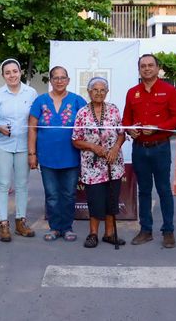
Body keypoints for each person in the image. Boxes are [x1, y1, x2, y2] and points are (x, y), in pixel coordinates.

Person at [122, 54, 176, 248]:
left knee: (164, 190)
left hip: (160, 148)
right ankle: (145, 230)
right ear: (139, 69)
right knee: (144, 191)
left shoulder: (169, 91)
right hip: (139, 149)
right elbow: (125, 120)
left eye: (150, 65)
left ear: (158, 69)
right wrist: (129, 129)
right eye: (143, 66)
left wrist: (159, 128)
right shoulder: (132, 92)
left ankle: (168, 231)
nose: (147, 69)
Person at [28, 66, 86, 242]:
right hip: (47, 157)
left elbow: (87, 126)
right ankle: (54, 228)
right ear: (50, 81)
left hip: (71, 157)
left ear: (68, 80)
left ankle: (67, 228)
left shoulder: (77, 101)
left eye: (63, 78)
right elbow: (32, 129)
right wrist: (32, 154)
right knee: (52, 195)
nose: (59, 81)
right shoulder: (40, 101)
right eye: (55, 78)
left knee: (69, 194)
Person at [71, 77, 126, 249]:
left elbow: (121, 133)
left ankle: (109, 234)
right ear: (88, 92)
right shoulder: (82, 113)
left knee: (112, 199)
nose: (99, 93)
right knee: (95, 200)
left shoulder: (114, 110)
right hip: (92, 166)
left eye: (102, 90)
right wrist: (93, 147)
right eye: (95, 89)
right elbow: (75, 140)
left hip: (113, 163)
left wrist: (116, 147)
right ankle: (93, 234)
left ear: (107, 92)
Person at [0, 58, 37, 242]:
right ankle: (3, 223)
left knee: (22, 185)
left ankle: (20, 222)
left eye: (14, 71)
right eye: (7, 72)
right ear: (3, 75)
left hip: (24, 145)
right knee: (3, 184)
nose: (12, 75)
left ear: (20, 72)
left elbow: (34, 120)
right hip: (3, 145)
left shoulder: (31, 93)